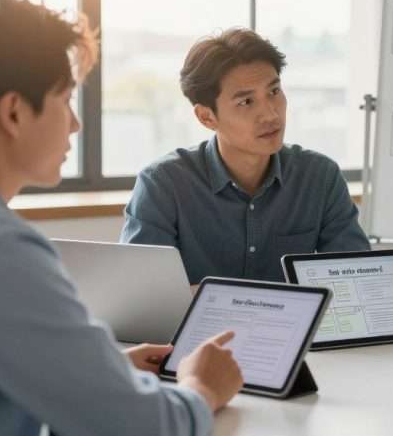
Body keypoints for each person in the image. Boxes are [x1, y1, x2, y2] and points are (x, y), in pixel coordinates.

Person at [0, 0, 242, 436]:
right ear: (13, 112)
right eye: (65, 100)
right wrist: (201, 387)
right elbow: (146, 428)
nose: (74, 125)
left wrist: (96, 373)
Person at [121, 28, 370, 284]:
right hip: (198, 326)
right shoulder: (163, 184)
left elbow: (356, 281)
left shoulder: (320, 177)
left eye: (274, 92)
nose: (271, 115)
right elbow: (143, 295)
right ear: (206, 117)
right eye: (246, 102)